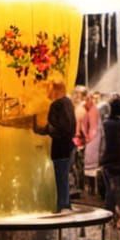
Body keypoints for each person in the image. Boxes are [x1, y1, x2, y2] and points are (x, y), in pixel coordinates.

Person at [33, 78, 76, 212]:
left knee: (60, 177)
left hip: (60, 148)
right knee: (63, 176)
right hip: (68, 147)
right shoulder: (68, 103)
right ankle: (65, 202)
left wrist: (42, 128)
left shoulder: (57, 105)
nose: (48, 92)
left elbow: (59, 127)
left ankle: (62, 204)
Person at [99, 95, 120, 227]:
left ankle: (113, 214)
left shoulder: (106, 124)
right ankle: (111, 215)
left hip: (109, 159)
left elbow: (103, 143)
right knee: (114, 189)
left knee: (111, 190)